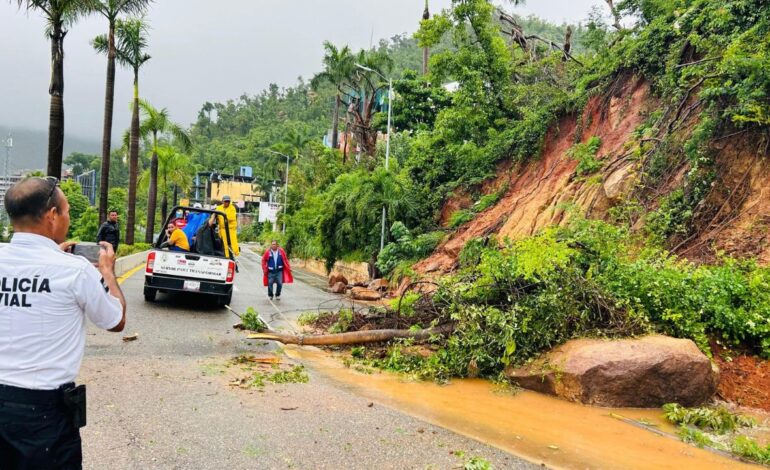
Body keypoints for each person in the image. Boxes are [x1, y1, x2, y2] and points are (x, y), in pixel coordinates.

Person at [0, 176, 126, 468]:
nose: (68, 218)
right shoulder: (75, 271)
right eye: (67, 211)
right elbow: (115, 320)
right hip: (43, 416)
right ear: (53, 215)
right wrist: (107, 272)